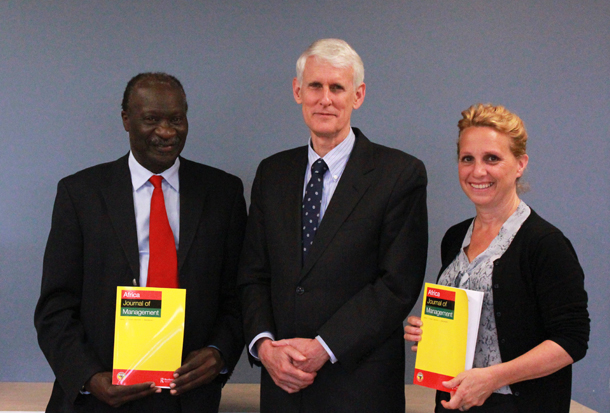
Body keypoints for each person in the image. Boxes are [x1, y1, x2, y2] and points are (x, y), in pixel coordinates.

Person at [34, 72, 247, 413]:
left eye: (176, 119)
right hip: (100, 398)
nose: (166, 132)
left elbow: (239, 295)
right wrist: (89, 377)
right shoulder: (81, 194)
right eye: (152, 119)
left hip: (188, 398)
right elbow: (54, 308)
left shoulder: (223, 194)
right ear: (126, 120)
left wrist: (219, 351)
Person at [238, 38, 428, 412]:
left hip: (360, 388)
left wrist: (324, 346)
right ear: (297, 91)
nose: (325, 98)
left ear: (357, 96)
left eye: (337, 87)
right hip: (282, 387)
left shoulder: (399, 174)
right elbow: (253, 274)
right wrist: (264, 346)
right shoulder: (272, 173)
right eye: (315, 86)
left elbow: (397, 285)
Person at [404, 103, 589, 412]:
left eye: (492, 158)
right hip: (452, 403)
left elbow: (572, 339)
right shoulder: (455, 237)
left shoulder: (544, 244)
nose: (478, 171)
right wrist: (432, 330)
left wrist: (492, 377)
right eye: (467, 159)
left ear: (519, 164)